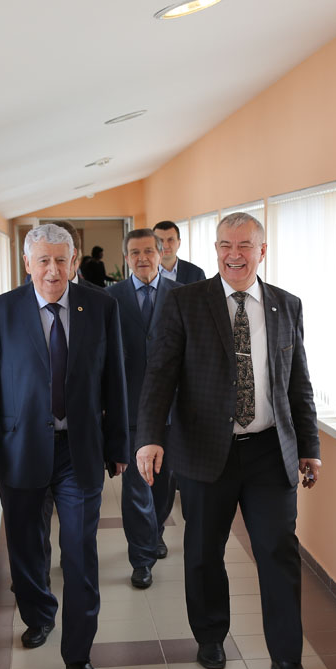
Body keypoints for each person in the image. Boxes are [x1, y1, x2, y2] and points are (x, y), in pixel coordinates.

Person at [135, 212, 321, 669]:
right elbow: (160, 375)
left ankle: (287, 658)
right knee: (203, 551)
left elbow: (298, 382)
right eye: (224, 245)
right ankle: (210, 636)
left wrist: (309, 446)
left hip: (268, 451)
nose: (233, 255)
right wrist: (150, 436)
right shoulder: (185, 302)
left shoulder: (286, 305)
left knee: (278, 551)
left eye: (243, 246)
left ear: (262, 251)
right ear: (215, 249)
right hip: (204, 449)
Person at [0, 223, 128, 669]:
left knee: (79, 553)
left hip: (79, 450)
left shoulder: (101, 307)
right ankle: (39, 614)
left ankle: (78, 653)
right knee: (26, 546)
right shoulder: (0, 312)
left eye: (61, 260)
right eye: (43, 260)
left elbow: (114, 380)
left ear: (74, 261)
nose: (53, 270)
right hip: (20, 450)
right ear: (27, 263)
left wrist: (118, 443)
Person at [107, 229, 182, 589]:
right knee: (136, 487)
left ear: (161, 252)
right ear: (126, 258)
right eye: (134, 253)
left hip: (171, 409)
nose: (142, 258)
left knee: (164, 484)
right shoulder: (111, 298)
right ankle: (141, 558)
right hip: (131, 408)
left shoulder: (180, 295)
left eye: (148, 251)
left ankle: (155, 531)